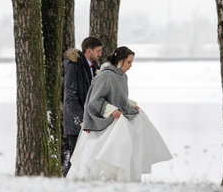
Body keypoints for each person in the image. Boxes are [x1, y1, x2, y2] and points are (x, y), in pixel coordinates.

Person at [67, 46, 172, 182]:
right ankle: (107, 174)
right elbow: (95, 99)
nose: (131, 66)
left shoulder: (123, 76)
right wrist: (111, 109)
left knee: (140, 120)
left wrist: (131, 104)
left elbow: (118, 97)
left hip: (118, 116)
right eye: (129, 62)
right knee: (122, 131)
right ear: (120, 60)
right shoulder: (105, 75)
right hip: (106, 121)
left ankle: (129, 174)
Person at [62, 37, 103, 177]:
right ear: (88, 50)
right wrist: (80, 119)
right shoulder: (73, 67)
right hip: (76, 123)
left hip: (91, 120)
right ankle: (67, 182)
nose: (100, 54)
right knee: (75, 159)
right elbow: (70, 98)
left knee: (88, 158)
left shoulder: (95, 67)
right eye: (98, 51)